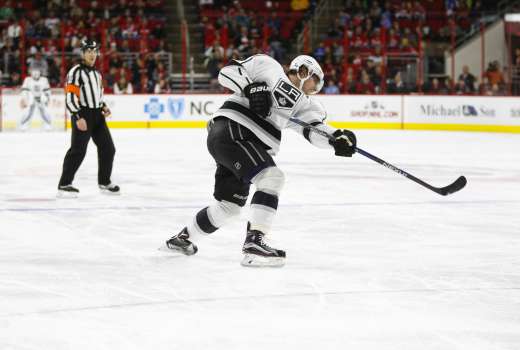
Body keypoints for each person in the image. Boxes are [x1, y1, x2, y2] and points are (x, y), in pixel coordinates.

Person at [163, 54, 356, 267]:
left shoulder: (307, 105)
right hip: (234, 129)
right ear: (304, 71)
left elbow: (313, 129)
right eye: (316, 80)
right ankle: (255, 242)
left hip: (235, 142)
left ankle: (182, 239)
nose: (317, 87)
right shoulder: (268, 65)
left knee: (229, 206)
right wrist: (251, 88)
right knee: (272, 178)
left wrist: (336, 138)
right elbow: (226, 73)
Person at [57, 38, 119, 197]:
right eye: (89, 51)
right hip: (82, 114)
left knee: (108, 148)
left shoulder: (97, 74)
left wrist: (103, 106)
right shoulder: (76, 72)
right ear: (83, 53)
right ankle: (64, 184)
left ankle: (104, 182)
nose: (92, 54)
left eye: (94, 51)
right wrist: (77, 116)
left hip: (97, 115)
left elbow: (98, 96)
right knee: (78, 150)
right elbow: (70, 97)